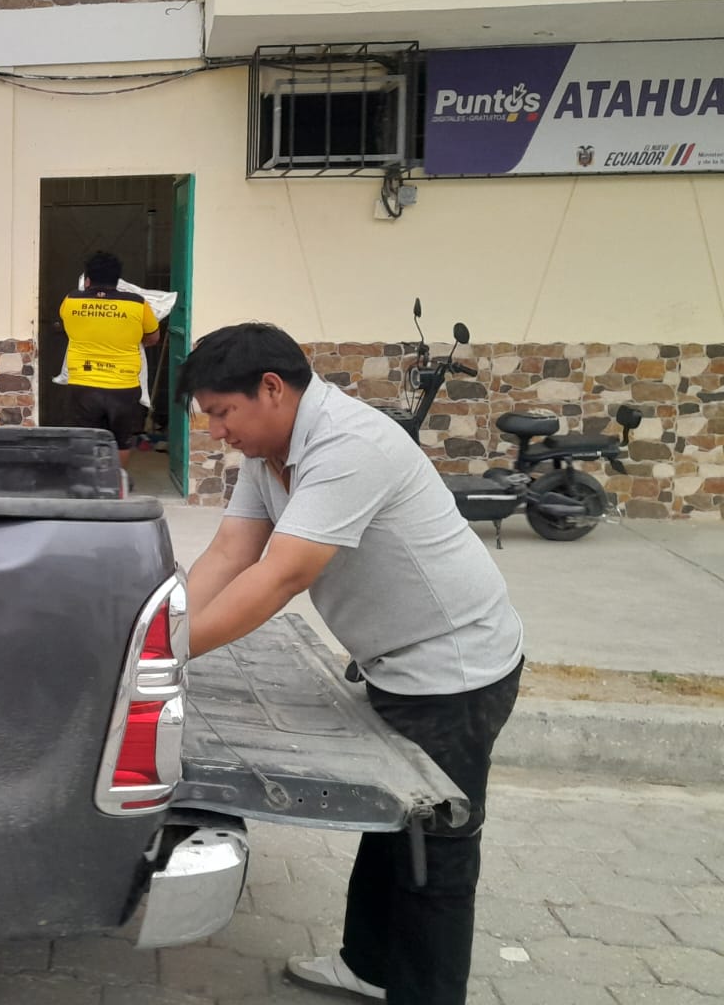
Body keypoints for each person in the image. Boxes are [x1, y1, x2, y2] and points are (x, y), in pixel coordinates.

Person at [175, 322, 524, 1005]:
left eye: (221, 412)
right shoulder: (270, 453)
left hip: (456, 671)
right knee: (392, 823)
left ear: (271, 389)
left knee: (435, 852)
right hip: (395, 663)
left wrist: (165, 654)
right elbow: (231, 553)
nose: (216, 432)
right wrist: (159, 632)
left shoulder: (350, 445)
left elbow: (281, 575)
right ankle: (369, 966)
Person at [58, 251, 160, 468]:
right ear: (117, 280)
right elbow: (153, 337)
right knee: (121, 441)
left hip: (83, 385)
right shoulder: (137, 304)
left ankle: (86, 481)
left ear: (87, 280)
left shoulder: (71, 300)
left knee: (84, 440)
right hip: (123, 387)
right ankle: (116, 481)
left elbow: (69, 328)